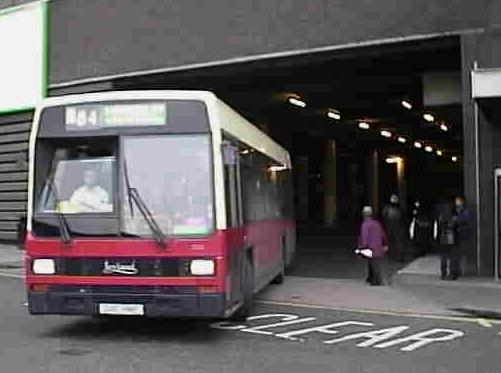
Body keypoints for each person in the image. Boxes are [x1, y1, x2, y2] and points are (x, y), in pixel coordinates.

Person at [357, 206, 388, 286]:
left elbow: (364, 236)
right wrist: (385, 244)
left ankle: (376, 281)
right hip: (378, 246)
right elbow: (383, 234)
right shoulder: (376, 223)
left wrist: (362, 248)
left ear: (363, 214)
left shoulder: (365, 224)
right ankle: (371, 278)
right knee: (374, 263)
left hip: (370, 247)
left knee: (373, 264)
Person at [381, 194, 406, 262]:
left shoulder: (399, 208)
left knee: (398, 242)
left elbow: (403, 217)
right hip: (391, 226)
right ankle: (392, 256)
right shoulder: (388, 208)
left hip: (397, 227)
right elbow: (384, 216)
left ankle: (399, 256)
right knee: (392, 242)